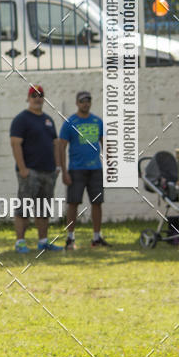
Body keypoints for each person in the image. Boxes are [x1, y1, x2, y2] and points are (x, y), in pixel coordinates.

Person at [10, 84, 63, 254]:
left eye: (40, 95)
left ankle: (43, 242)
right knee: (24, 208)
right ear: (28, 98)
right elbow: (15, 144)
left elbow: (55, 144)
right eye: (34, 95)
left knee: (44, 208)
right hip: (30, 171)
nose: (37, 98)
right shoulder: (21, 119)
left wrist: (57, 166)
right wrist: (22, 168)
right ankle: (20, 242)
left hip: (48, 171)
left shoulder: (48, 120)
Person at [59, 91, 107, 249]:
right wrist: (64, 171)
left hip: (95, 169)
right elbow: (61, 147)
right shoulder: (70, 122)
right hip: (76, 170)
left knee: (97, 203)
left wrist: (109, 163)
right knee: (73, 203)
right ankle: (70, 238)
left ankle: (96, 237)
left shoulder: (97, 121)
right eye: (82, 101)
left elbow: (105, 143)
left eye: (88, 101)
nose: (85, 104)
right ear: (77, 103)